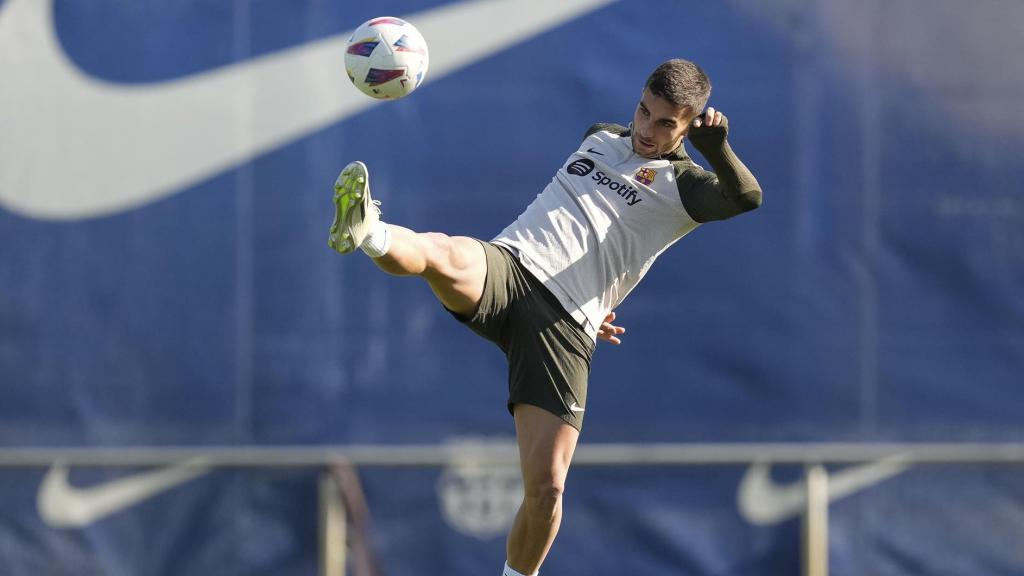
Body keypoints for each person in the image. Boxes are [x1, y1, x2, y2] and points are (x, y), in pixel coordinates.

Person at [327, 58, 762, 576]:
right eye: (644, 111)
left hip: (564, 329)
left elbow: (745, 197)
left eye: (665, 122)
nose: (646, 129)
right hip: (510, 270)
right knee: (442, 253)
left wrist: (718, 152)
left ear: (688, 125)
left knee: (547, 490)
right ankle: (369, 227)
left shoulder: (686, 186)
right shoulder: (600, 136)